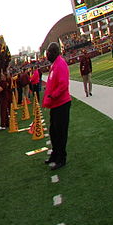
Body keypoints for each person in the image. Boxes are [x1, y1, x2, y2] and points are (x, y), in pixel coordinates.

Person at [43, 42, 71, 170]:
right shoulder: (54, 65)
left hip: (61, 103)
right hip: (55, 104)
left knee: (60, 133)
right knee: (53, 132)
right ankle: (55, 154)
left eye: (48, 53)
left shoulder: (60, 64)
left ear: (53, 52)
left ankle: (61, 158)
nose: (47, 55)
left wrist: (53, 95)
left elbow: (63, 84)